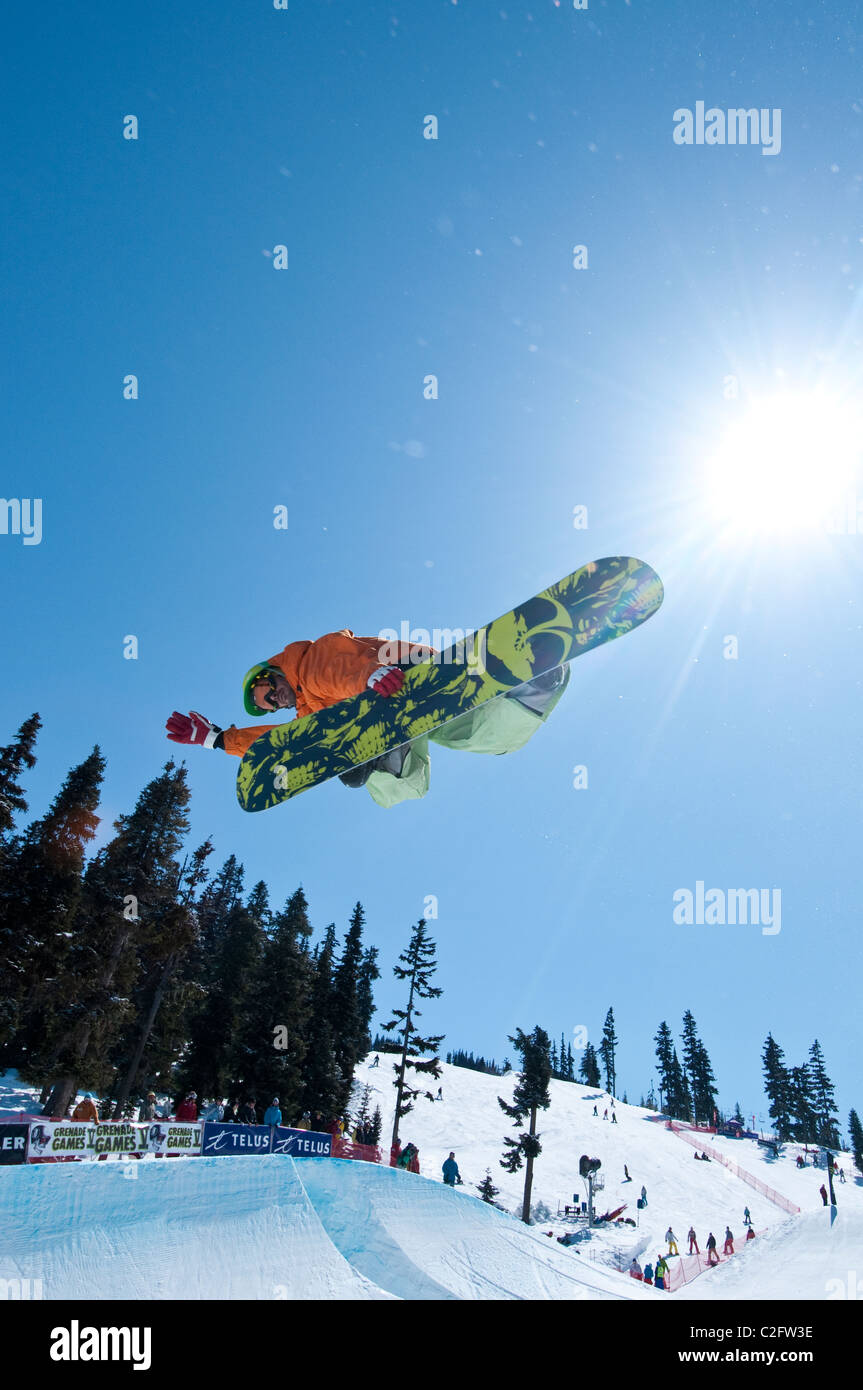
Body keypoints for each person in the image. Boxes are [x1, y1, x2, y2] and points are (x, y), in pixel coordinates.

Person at [165, 631, 570, 809]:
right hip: (398, 704)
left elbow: (338, 666)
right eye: (269, 705)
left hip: (395, 679)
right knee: (469, 733)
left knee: (384, 772)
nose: (274, 701)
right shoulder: (310, 709)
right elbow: (283, 744)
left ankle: (379, 758)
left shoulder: (307, 662)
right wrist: (217, 740)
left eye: (267, 692)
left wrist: (368, 677)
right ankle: (535, 685)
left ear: (271, 673)